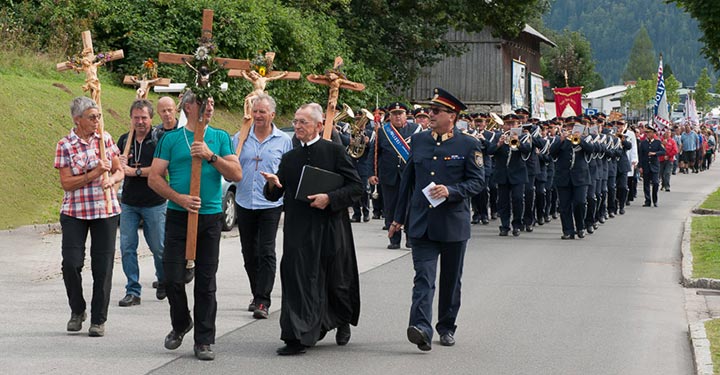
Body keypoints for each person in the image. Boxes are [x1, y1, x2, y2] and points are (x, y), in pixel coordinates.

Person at [261, 103, 363, 356]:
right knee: (297, 280)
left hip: (330, 227)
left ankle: (340, 320)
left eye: (303, 122)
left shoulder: (335, 152)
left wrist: (329, 198)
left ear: (318, 125)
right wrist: (273, 185)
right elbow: (277, 194)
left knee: (335, 279)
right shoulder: (290, 157)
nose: (297, 127)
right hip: (298, 230)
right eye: (295, 122)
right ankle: (296, 336)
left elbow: (356, 187)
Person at [148, 91, 242, 361]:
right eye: (203, 103)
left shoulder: (221, 137)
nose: (209, 107)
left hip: (210, 217)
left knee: (206, 282)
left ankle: (204, 340)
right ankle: (181, 323)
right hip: (178, 216)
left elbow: (236, 174)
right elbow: (155, 178)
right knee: (172, 279)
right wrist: (179, 198)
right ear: (188, 107)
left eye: (212, 102)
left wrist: (211, 156)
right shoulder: (171, 139)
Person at [389, 87, 484, 351]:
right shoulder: (419, 141)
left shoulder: (468, 144)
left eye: (435, 111)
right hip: (422, 222)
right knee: (423, 278)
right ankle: (421, 328)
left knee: (451, 280)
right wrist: (397, 219)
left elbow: (477, 182)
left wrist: (452, 191)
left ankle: (446, 327)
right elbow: (407, 181)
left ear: (451, 116)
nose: (429, 115)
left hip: (453, 223)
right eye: (429, 110)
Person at [54, 96, 124, 337]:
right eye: (92, 117)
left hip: (104, 211)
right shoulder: (65, 145)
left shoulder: (105, 139)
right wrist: (95, 173)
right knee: (71, 264)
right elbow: (67, 183)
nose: (97, 121)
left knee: (102, 267)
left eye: (98, 116)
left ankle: (98, 319)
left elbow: (119, 170)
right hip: (75, 211)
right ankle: (77, 310)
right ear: (78, 120)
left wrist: (111, 180)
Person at [232, 94, 292, 319]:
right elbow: (232, 165)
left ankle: (263, 301)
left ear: (272, 115)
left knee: (266, 250)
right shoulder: (240, 138)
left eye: (262, 112)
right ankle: (256, 292)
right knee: (249, 252)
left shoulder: (283, 140)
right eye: (255, 111)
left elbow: (287, 172)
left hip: (270, 203)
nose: (258, 116)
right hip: (244, 200)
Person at [117, 100, 168, 306]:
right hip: (129, 202)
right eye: (136, 118)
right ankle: (133, 290)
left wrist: (134, 171)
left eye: (144, 118)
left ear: (151, 118)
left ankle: (164, 280)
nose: (140, 122)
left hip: (154, 202)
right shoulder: (124, 140)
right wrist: (119, 165)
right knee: (127, 247)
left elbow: (162, 170)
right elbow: (118, 168)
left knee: (159, 247)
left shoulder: (159, 139)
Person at [367, 102, 420, 249]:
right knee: (391, 208)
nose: (397, 116)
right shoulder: (383, 131)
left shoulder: (416, 130)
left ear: (406, 115)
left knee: (410, 207)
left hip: (410, 176)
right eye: (394, 114)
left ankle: (410, 237)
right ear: (389, 116)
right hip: (389, 176)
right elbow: (374, 154)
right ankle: (394, 240)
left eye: (400, 113)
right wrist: (372, 173)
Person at [486, 113, 531, 237]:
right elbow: (489, 151)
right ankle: (504, 226)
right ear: (504, 125)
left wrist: (518, 142)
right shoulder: (498, 136)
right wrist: (498, 144)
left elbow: (527, 150)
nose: (510, 126)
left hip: (518, 173)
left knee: (517, 199)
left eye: (513, 124)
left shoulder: (524, 136)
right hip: (502, 174)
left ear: (518, 125)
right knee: (503, 201)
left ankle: (517, 224)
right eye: (507, 124)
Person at [549, 117, 594, 239]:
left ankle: (580, 227)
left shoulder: (586, 139)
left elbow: (591, 150)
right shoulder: (560, 140)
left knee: (580, 202)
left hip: (580, 177)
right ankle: (568, 230)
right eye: (569, 126)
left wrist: (579, 140)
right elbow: (551, 153)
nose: (571, 129)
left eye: (574, 126)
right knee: (564, 205)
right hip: (563, 177)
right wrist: (561, 140)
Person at [638, 125, 666, 207]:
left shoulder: (657, 142)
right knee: (646, 184)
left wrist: (655, 153)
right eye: (646, 132)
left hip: (654, 166)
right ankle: (647, 200)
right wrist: (640, 166)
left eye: (649, 132)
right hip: (646, 166)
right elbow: (641, 155)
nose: (647, 134)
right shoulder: (643, 143)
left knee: (656, 183)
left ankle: (655, 199)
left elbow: (663, 151)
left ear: (653, 133)